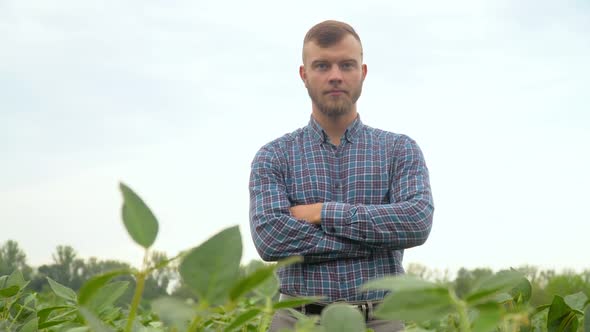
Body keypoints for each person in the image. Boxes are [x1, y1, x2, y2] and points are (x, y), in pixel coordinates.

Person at [249, 20, 434, 331]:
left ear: (361, 72)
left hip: (379, 321)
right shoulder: (273, 155)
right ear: (304, 74)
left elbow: (416, 222)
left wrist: (322, 213)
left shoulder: (399, 150)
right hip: (298, 321)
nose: (335, 75)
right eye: (322, 65)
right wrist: (377, 239)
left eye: (346, 65)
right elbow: (271, 238)